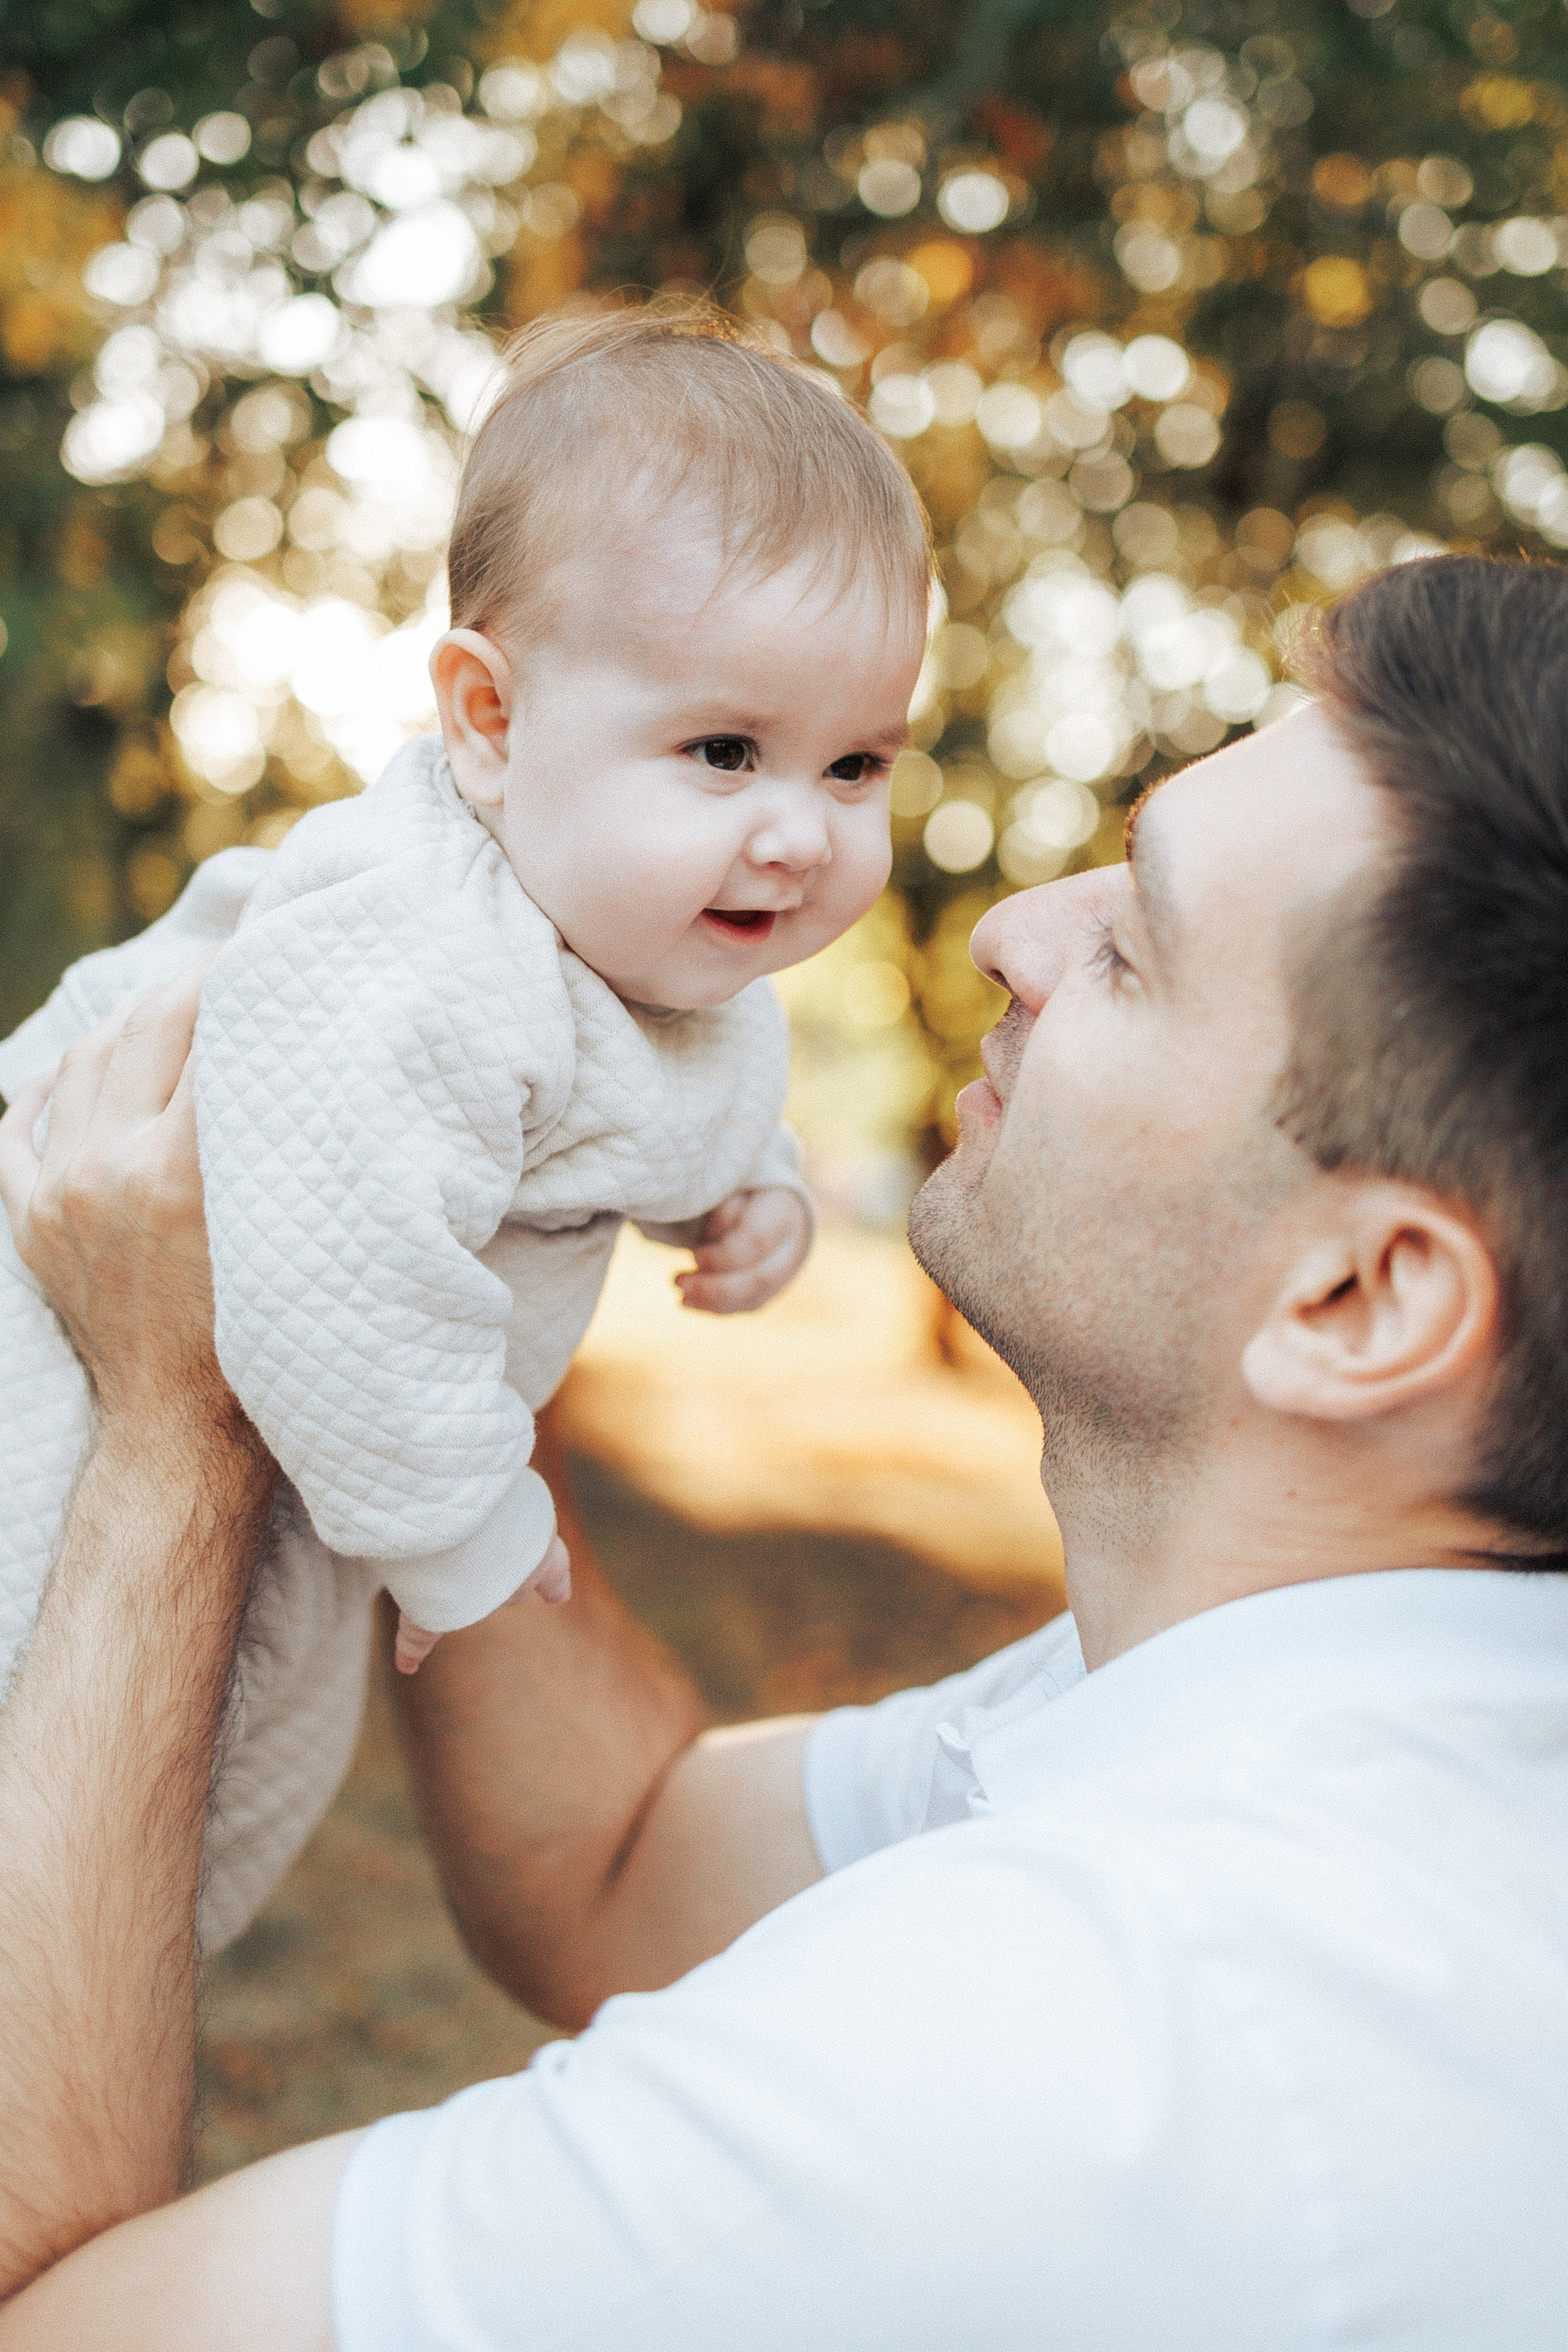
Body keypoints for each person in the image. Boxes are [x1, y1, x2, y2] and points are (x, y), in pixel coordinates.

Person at [2, 551, 1567, 2348]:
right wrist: (472, 1222)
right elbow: (621, 1867)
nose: (1011, 932)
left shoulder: (1075, 2041)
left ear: (1362, 1298)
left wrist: (177, 1422)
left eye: (1134, 949)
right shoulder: (1359, 1706)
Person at [0, 306, 928, 1953]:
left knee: (174, 1797)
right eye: (726, 751)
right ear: (491, 723)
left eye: (855, 764)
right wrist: (466, 1537)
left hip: (288, 1456)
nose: (801, 833)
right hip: (57, 1375)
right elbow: (337, 1275)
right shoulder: (415, 950)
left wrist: (755, 1186)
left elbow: (676, 1084)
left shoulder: (658, 940)